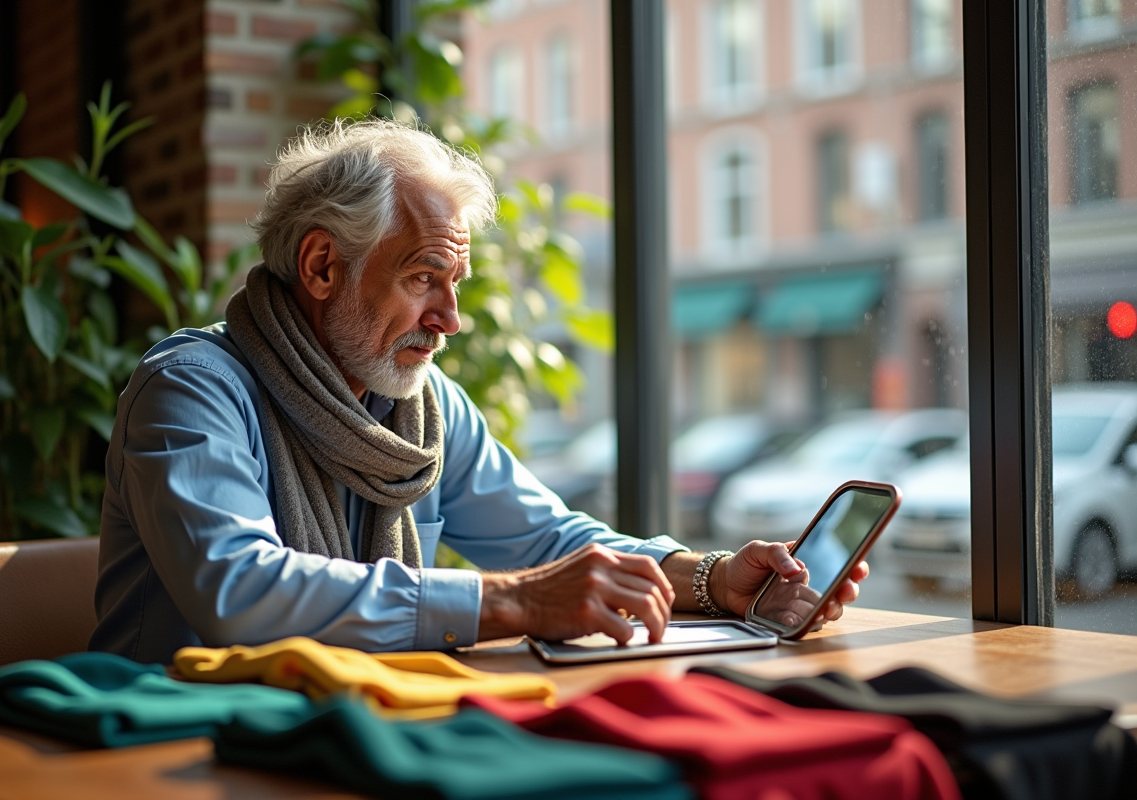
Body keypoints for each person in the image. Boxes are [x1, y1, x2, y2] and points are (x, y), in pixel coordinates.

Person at [90, 120, 868, 664]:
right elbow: (240, 589)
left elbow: (552, 546)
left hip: (349, 736)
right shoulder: (192, 388)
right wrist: (514, 603)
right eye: (424, 277)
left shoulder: (425, 410)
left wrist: (712, 578)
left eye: (454, 283)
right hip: (164, 758)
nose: (451, 319)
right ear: (323, 267)